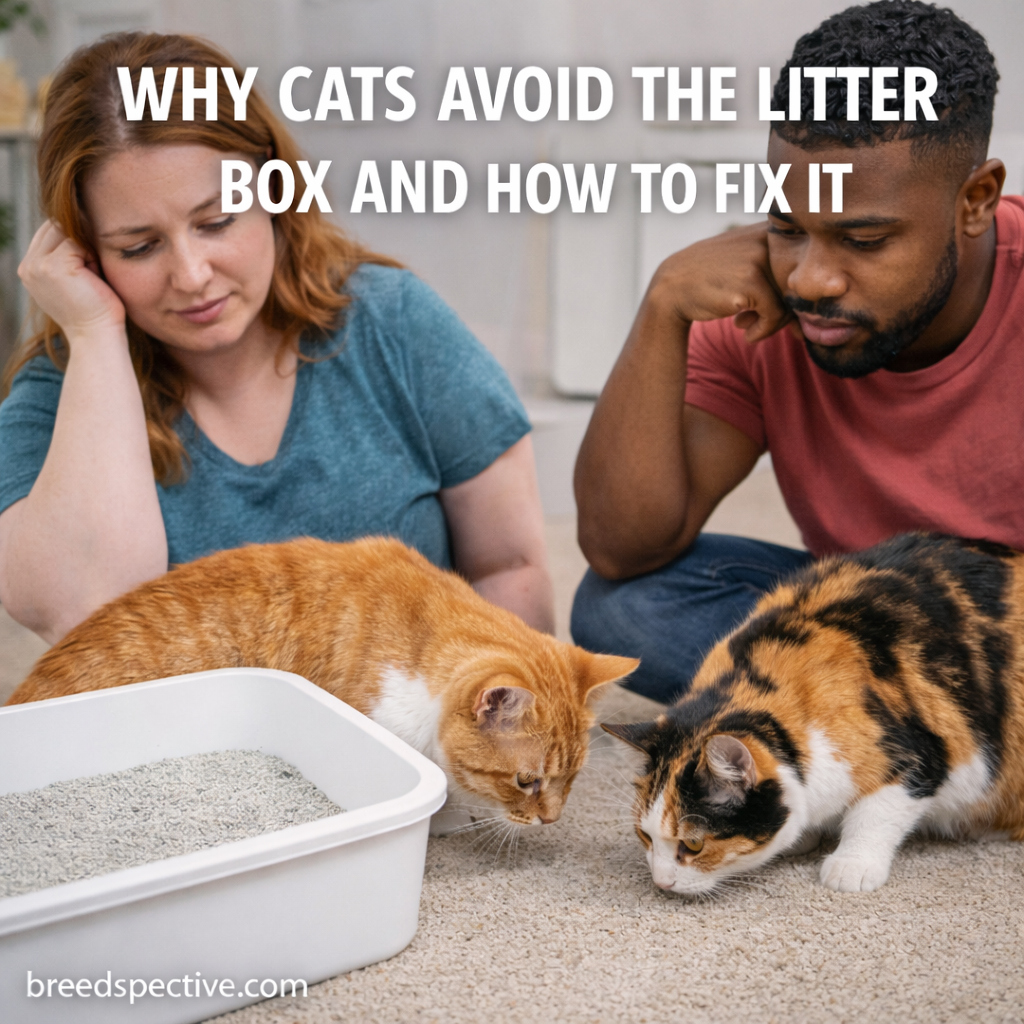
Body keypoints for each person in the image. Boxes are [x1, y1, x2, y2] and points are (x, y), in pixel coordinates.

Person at [0, 32, 554, 645]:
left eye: (216, 222)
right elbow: (87, 616)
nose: (191, 276)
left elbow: (509, 567)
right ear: (83, 252)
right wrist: (95, 334)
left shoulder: (394, 323)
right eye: (139, 247)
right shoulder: (59, 393)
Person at [572, 0, 1022, 704]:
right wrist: (663, 308)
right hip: (877, 630)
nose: (811, 279)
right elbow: (623, 548)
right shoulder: (768, 307)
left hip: (1008, 645)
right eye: (786, 225)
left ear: (975, 200)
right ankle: (918, 751)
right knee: (625, 608)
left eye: (863, 240)